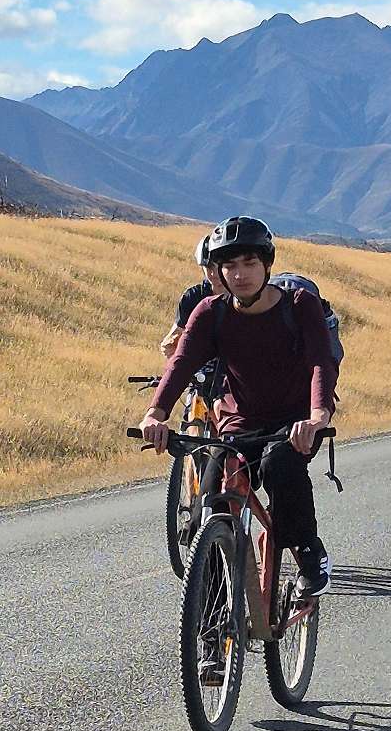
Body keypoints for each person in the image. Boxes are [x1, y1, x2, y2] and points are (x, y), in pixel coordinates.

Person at [139, 216, 335, 598]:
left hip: (295, 421)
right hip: (240, 422)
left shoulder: (299, 305)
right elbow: (182, 364)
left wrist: (317, 416)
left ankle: (308, 551)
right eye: (230, 265)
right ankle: (212, 615)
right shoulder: (211, 312)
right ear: (218, 271)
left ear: (267, 264)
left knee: (279, 466)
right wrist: (155, 413)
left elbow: (320, 362)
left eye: (249, 263)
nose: (240, 274)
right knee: (211, 500)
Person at [159, 232, 219, 360]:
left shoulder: (244, 296)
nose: (214, 274)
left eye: (219, 267)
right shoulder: (193, 297)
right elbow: (174, 335)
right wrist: (170, 345)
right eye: (208, 267)